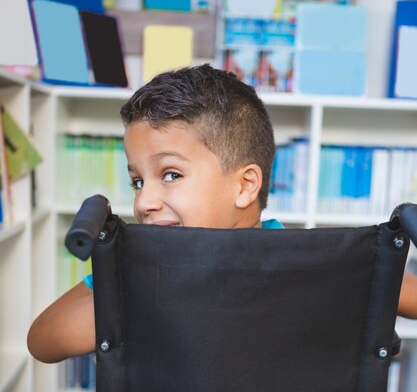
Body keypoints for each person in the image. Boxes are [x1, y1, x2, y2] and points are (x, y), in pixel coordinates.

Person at [27, 63, 417, 364]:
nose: (144, 202)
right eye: (137, 181)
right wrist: (134, 286)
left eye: (171, 174)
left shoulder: (317, 260)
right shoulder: (134, 269)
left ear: (245, 186)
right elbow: (43, 340)